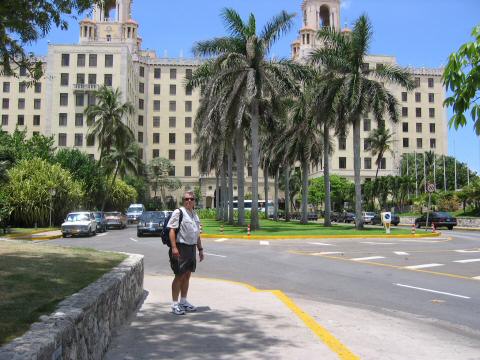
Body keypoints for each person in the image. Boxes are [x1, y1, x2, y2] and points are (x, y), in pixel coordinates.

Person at [167, 191, 204, 315]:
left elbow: (197, 234)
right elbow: (171, 230)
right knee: (179, 275)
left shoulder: (195, 215)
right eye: (186, 199)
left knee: (187, 275)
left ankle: (183, 301)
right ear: (183, 200)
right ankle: (174, 304)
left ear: (194, 201)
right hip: (180, 247)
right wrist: (174, 247)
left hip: (191, 248)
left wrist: (200, 249)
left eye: (191, 199)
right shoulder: (179, 212)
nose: (189, 201)